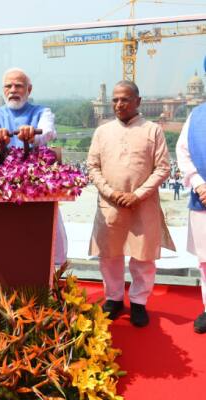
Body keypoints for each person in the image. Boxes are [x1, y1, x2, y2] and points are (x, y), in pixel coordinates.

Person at [87, 80, 174, 327]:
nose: (118, 104)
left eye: (124, 99)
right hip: (110, 204)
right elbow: (92, 166)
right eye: (114, 99)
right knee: (110, 254)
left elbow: (163, 168)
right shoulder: (102, 131)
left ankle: (138, 302)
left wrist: (138, 194)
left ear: (138, 101)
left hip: (142, 204)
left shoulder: (152, 130)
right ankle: (113, 298)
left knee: (143, 256)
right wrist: (110, 192)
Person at [0, 68, 67, 266]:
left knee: (51, 235)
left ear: (29, 89)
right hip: (3, 186)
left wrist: (32, 135)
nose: (13, 90)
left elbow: (47, 132)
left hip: (37, 185)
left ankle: (53, 277)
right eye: (8, 86)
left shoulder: (42, 112)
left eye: (18, 85)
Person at [176, 102, 206, 334]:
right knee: (205, 262)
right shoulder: (197, 115)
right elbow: (182, 152)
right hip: (203, 198)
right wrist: (199, 184)